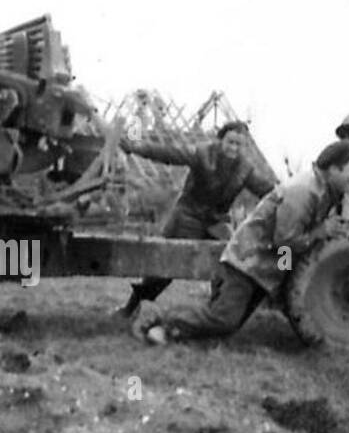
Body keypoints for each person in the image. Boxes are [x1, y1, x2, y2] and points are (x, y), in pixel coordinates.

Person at [130, 139, 349, 345]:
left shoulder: (326, 191)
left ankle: (171, 330)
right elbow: (284, 242)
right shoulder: (304, 192)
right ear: (333, 169)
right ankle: (156, 319)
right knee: (223, 319)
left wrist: (281, 277)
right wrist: (320, 232)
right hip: (247, 261)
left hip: (263, 265)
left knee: (227, 324)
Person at [113, 120, 279, 318]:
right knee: (167, 263)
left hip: (217, 222)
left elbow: (266, 189)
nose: (233, 148)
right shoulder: (202, 153)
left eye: (238, 144)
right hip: (188, 215)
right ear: (220, 140)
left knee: (229, 262)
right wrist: (137, 147)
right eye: (230, 142)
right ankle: (131, 307)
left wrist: (288, 193)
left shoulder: (245, 169)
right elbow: (170, 154)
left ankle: (215, 313)